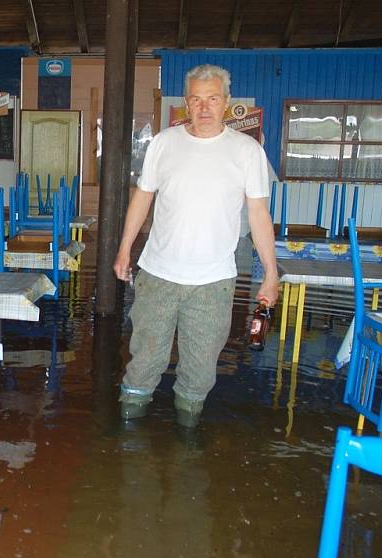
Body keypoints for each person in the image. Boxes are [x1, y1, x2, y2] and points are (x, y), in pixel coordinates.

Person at [112, 63, 278, 428]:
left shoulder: (247, 151)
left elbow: (259, 215)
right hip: (158, 274)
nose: (204, 108)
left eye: (213, 99)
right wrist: (125, 248)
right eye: (197, 100)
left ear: (227, 102)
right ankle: (126, 436)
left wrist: (270, 273)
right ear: (187, 102)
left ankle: (187, 441)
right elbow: (142, 198)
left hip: (213, 283)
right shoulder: (164, 143)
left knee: (200, 369)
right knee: (144, 360)